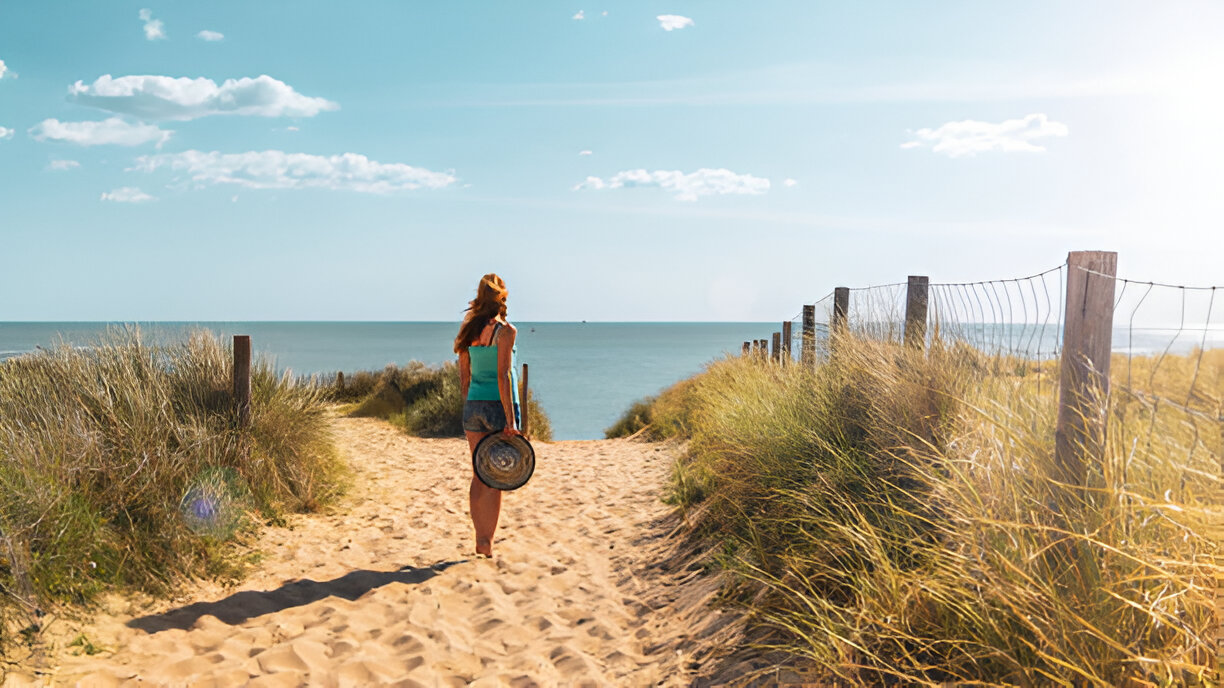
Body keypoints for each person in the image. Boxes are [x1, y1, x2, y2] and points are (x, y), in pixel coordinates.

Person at [454, 273, 522, 557]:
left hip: (474, 406)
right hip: (497, 406)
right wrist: (510, 419)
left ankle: (479, 538)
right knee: (496, 478)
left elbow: (464, 376)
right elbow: (503, 375)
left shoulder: (469, 330)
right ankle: (487, 544)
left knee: (478, 474)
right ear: (503, 297)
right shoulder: (506, 331)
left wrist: (469, 403)